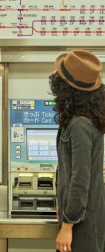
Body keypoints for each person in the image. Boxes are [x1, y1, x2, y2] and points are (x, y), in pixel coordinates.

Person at [49, 50, 105, 252]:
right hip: (84, 220)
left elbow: (80, 179)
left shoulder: (80, 125)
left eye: (60, 77)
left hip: (82, 228)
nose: (55, 79)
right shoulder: (85, 119)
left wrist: (67, 224)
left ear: (67, 88)